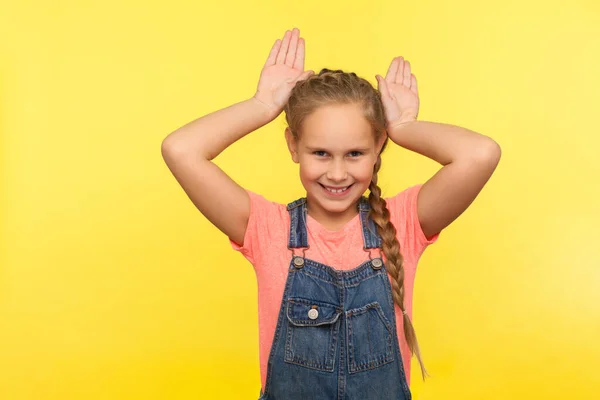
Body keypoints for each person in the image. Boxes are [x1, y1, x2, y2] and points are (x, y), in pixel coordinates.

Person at [161, 27, 501, 400]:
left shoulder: (403, 221)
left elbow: (480, 154)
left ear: (378, 147)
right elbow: (180, 150)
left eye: (354, 153)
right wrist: (261, 106)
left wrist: (404, 127)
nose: (337, 173)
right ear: (293, 145)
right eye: (320, 153)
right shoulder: (266, 228)